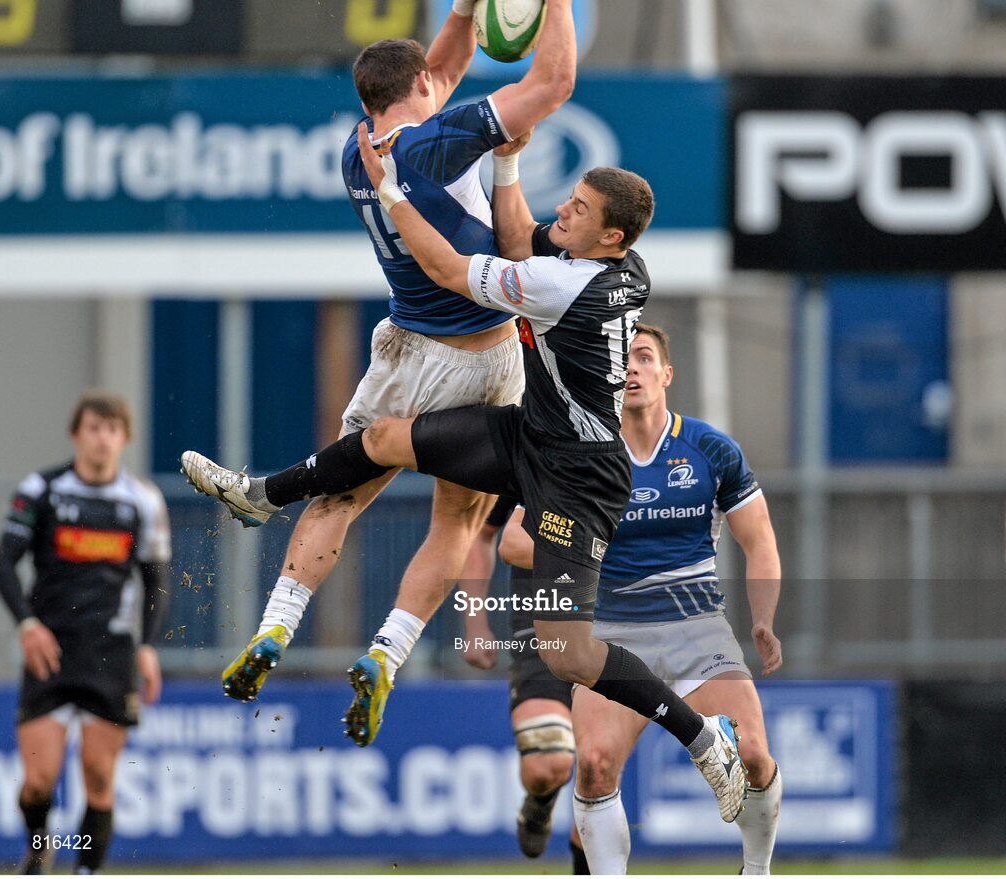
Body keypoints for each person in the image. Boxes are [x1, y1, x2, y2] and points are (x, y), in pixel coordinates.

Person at [183, 125, 749, 823]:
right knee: (386, 437)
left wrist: (390, 191)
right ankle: (263, 496)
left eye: (577, 210)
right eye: (569, 200)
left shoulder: (564, 284)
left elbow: (453, 269)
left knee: (565, 652)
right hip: (529, 436)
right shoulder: (623, 266)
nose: (561, 214)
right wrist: (507, 158)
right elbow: (519, 236)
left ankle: (701, 736)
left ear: (609, 238)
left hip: (579, 480)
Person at [200, 0, 577, 711]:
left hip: (404, 353)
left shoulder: (358, 151)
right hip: (485, 358)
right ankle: (387, 650)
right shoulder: (446, 139)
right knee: (456, 521)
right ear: (427, 93)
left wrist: (465, 9)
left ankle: (275, 630)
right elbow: (552, 87)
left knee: (338, 496)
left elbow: (435, 67)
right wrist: (559, 1)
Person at [497, 324, 783, 874]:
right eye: (623, 360)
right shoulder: (581, 455)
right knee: (596, 764)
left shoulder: (708, 449)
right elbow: (513, 541)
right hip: (611, 635)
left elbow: (760, 539)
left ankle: (757, 869)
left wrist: (764, 620)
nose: (632, 368)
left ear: (666, 375)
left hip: (698, 629)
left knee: (751, 758)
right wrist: (578, 539)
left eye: (645, 358)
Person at [0, 391, 171, 875]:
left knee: (98, 774)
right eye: (93, 428)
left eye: (112, 430)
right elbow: (3, 562)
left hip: (110, 653)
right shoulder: (41, 489)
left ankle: (87, 870)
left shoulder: (143, 500)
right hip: (48, 651)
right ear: (76, 434)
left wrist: (147, 648)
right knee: (38, 780)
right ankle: (39, 844)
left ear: (125, 439)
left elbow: (155, 581)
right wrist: (27, 625)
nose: (102, 439)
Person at [458, 495, 580, 864]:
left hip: (621, 631)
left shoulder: (648, 461)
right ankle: (541, 799)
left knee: (598, 771)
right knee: (548, 764)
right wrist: (476, 622)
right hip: (543, 632)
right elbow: (485, 535)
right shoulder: (525, 453)